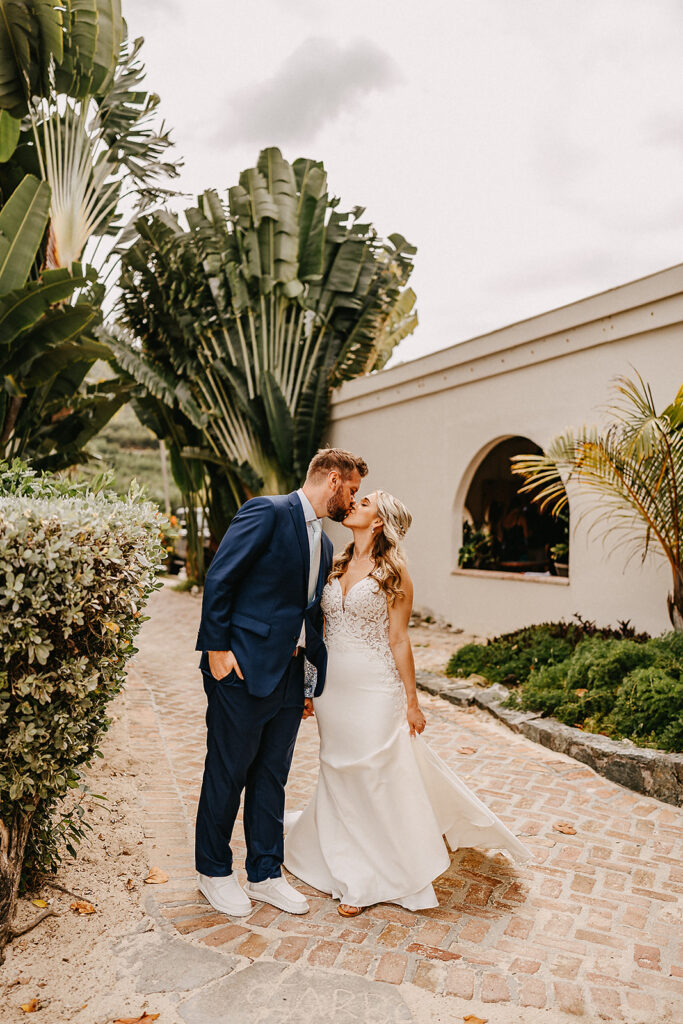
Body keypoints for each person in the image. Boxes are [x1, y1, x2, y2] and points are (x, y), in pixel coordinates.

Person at [284, 490, 532, 916]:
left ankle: (368, 877)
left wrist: (412, 702)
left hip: (376, 689)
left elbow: (399, 640)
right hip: (333, 690)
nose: (354, 505)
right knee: (338, 769)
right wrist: (308, 687)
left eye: (364, 503)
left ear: (378, 522)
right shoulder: (335, 563)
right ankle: (336, 853)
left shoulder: (393, 575)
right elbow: (319, 632)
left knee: (371, 773)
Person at [194, 448, 368, 917]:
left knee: (273, 775)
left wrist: (309, 682)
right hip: (242, 669)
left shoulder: (326, 544)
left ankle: (265, 873)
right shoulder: (267, 512)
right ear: (333, 480)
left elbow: (308, 615)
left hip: (290, 677)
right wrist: (217, 653)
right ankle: (212, 871)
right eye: (351, 491)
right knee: (228, 771)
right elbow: (221, 578)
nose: (352, 502)